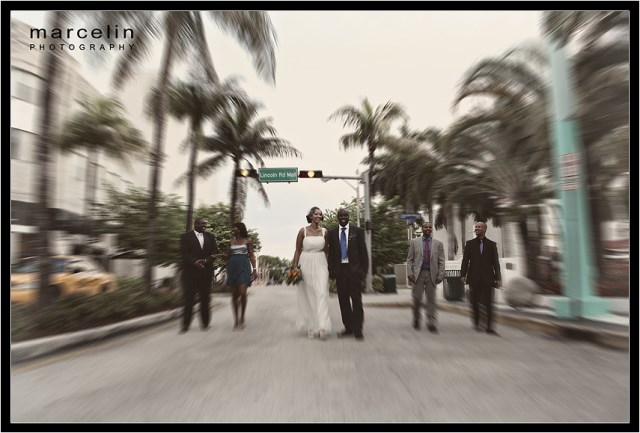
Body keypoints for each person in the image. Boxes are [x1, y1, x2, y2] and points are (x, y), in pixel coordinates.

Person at [327, 208, 369, 341]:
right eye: (341, 215)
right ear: (337, 217)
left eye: (346, 215)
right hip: (340, 271)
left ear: (349, 216)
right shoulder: (332, 233)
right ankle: (348, 327)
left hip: (354, 271)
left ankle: (358, 329)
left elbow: (363, 252)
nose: (343, 217)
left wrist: (364, 270)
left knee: (356, 301)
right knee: (343, 301)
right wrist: (331, 270)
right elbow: (332, 253)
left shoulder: (357, 231)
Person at [291, 206, 332, 340]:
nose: (318, 216)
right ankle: (311, 326)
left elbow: (326, 250)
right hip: (306, 262)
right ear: (311, 216)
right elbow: (297, 250)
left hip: (320, 262)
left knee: (321, 293)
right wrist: (294, 267)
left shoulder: (325, 232)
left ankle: (322, 327)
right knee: (308, 296)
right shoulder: (303, 231)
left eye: (320, 214)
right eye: (316, 214)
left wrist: (329, 267)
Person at [460, 221, 502, 335]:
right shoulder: (469, 244)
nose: (477, 228)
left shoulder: (492, 245)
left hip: (488, 278)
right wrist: (463, 275)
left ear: (485, 229)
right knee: (474, 302)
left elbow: (496, 263)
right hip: (474, 278)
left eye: (479, 227)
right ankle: (477, 323)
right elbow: (465, 261)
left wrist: (498, 278)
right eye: (476, 227)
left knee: (489, 303)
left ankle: (489, 327)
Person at [179, 217, 220, 333]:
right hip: (190, 274)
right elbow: (183, 253)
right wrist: (195, 263)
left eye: (205, 224)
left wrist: (205, 261)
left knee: (205, 299)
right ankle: (185, 325)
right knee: (188, 300)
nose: (204, 226)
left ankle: (205, 324)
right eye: (202, 224)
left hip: (206, 274)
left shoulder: (210, 236)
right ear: (196, 224)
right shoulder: (185, 237)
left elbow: (215, 252)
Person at [406, 221, 445, 333]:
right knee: (417, 298)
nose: (428, 228)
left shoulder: (438, 243)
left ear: (431, 229)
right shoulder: (415, 242)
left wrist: (440, 275)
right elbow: (409, 259)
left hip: (432, 274)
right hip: (418, 275)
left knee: (431, 300)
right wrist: (410, 274)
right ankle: (417, 318)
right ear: (422, 229)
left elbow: (441, 260)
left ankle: (431, 322)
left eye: (429, 227)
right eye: (425, 227)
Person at [226, 222, 257, 330]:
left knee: (243, 293)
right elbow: (228, 256)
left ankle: (242, 318)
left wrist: (255, 269)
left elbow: (251, 255)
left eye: (234, 228)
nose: (232, 230)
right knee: (234, 295)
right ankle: (236, 320)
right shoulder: (230, 242)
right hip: (232, 267)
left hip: (244, 267)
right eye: (232, 229)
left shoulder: (248, 241)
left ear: (240, 229)